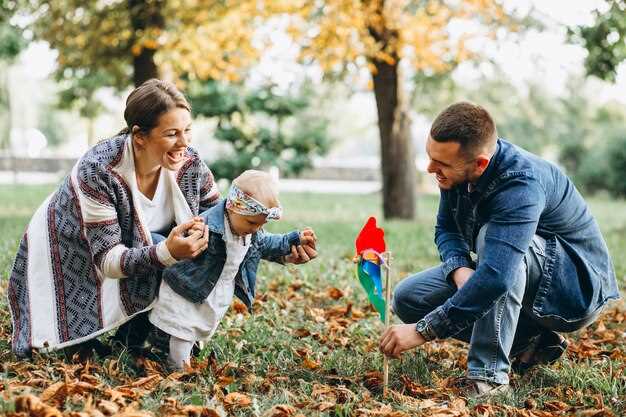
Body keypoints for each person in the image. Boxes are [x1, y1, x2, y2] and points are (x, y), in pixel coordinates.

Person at [379, 102, 619, 397]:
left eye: (440, 164)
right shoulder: (457, 169)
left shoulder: (521, 184)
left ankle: (489, 379)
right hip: (516, 274)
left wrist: (422, 331)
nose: (430, 169)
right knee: (409, 298)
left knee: (492, 241)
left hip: (574, 292)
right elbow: (447, 229)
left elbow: (497, 277)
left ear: (480, 163)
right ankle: (530, 342)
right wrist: (460, 270)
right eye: (430, 157)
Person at [7, 79, 220, 358]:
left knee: (160, 248)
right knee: (66, 348)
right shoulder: (99, 169)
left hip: (141, 244)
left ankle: (137, 338)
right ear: (139, 136)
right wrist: (167, 251)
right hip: (70, 244)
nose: (184, 143)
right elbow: (108, 260)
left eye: (187, 131)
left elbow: (221, 219)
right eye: (171, 134)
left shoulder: (190, 164)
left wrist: (284, 247)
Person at [148, 170, 318, 370]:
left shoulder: (249, 230)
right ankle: (178, 367)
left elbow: (268, 243)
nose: (256, 229)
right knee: (182, 328)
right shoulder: (206, 226)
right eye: (252, 222)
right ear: (232, 207)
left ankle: (167, 348)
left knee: (198, 326)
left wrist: (293, 239)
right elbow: (175, 241)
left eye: (261, 224)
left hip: (214, 291)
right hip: (190, 286)